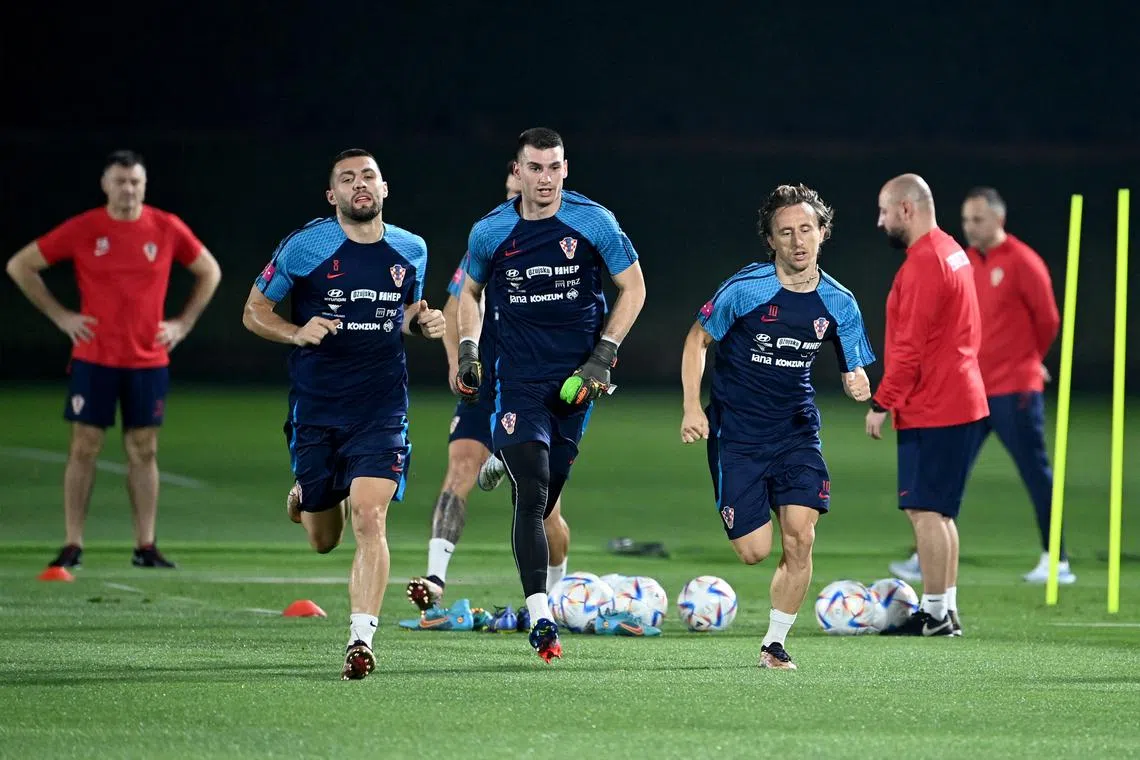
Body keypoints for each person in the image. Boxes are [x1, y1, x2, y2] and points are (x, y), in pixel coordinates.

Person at [242, 148, 445, 680]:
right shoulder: (305, 246)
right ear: (332, 195)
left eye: (369, 176)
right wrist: (295, 331)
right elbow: (254, 311)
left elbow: (402, 314)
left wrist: (421, 324)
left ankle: (360, 639)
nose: (361, 184)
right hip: (316, 408)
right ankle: (305, 498)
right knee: (322, 539)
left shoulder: (411, 249)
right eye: (348, 179)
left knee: (370, 516)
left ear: (384, 188)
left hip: (380, 408)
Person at [455, 128, 646, 662]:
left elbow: (634, 287)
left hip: (577, 382)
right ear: (517, 172)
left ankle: (503, 459)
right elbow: (468, 291)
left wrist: (602, 356)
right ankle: (541, 616)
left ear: (566, 168)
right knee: (533, 491)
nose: (545, 179)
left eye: (554, 167)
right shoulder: (491, 231)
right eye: (534, 168)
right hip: (517, 380)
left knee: (548, 495)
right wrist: (469, 348)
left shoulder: (593, 221)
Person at [681, 183, 876, 669]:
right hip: (738, 434)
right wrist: (691, 407)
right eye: (785, 232)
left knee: (801, 536)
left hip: (796, 431)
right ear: (770, 240)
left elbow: (855, 364)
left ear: (823, 232)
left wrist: (858, 379)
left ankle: (774, 643)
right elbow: (696, 341)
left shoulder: (840, 302)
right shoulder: (745, 289)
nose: (797, 241)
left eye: (806, 229)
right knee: (754, 551)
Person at [5, 150, 222, 570]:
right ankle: (72, 544)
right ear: (106, 185)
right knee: (84, 446)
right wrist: (61, 316)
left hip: (148, 359)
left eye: (135, 182)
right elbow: (21, 265)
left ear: (145, 185)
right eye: (121, 181)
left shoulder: (165, 227)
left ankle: (146, 545)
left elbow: (209, 271)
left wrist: (182, 323)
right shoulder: (86, 228)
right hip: (95, 356)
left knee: (144, 449)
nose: (129, 189)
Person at [405, 162, 572, 615]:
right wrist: (459, 363)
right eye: (511, 187)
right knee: (460, 466)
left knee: (541, 503)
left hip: (531, 383)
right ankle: (435, 576)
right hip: (485, 381)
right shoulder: (488, 242)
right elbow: (454, 307)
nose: (516, 196)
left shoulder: (562, 244)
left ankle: (557, 593)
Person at [888, 187, 1072, 585]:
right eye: (967, 220)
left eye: (978, 220)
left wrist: (1030, 360)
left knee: (1034, 471)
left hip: (1013, 389)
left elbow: (1048, 320)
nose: (970, 227)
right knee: (945, 476)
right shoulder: (964, 260)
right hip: (970, 391)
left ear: (999, 220)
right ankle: (926, 557)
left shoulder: (1023, 261)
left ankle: (1057, 558)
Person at [867, 173, 989, 637]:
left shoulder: (923, 263)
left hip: (936, 404)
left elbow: (909, 349)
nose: (880, 222)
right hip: (959, 397)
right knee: (939, 512)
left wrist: (882, 402)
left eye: (883, 211)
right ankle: (945, 611)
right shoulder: (952, 251)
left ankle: (936, 616)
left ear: (906, 209)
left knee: (924, 512)